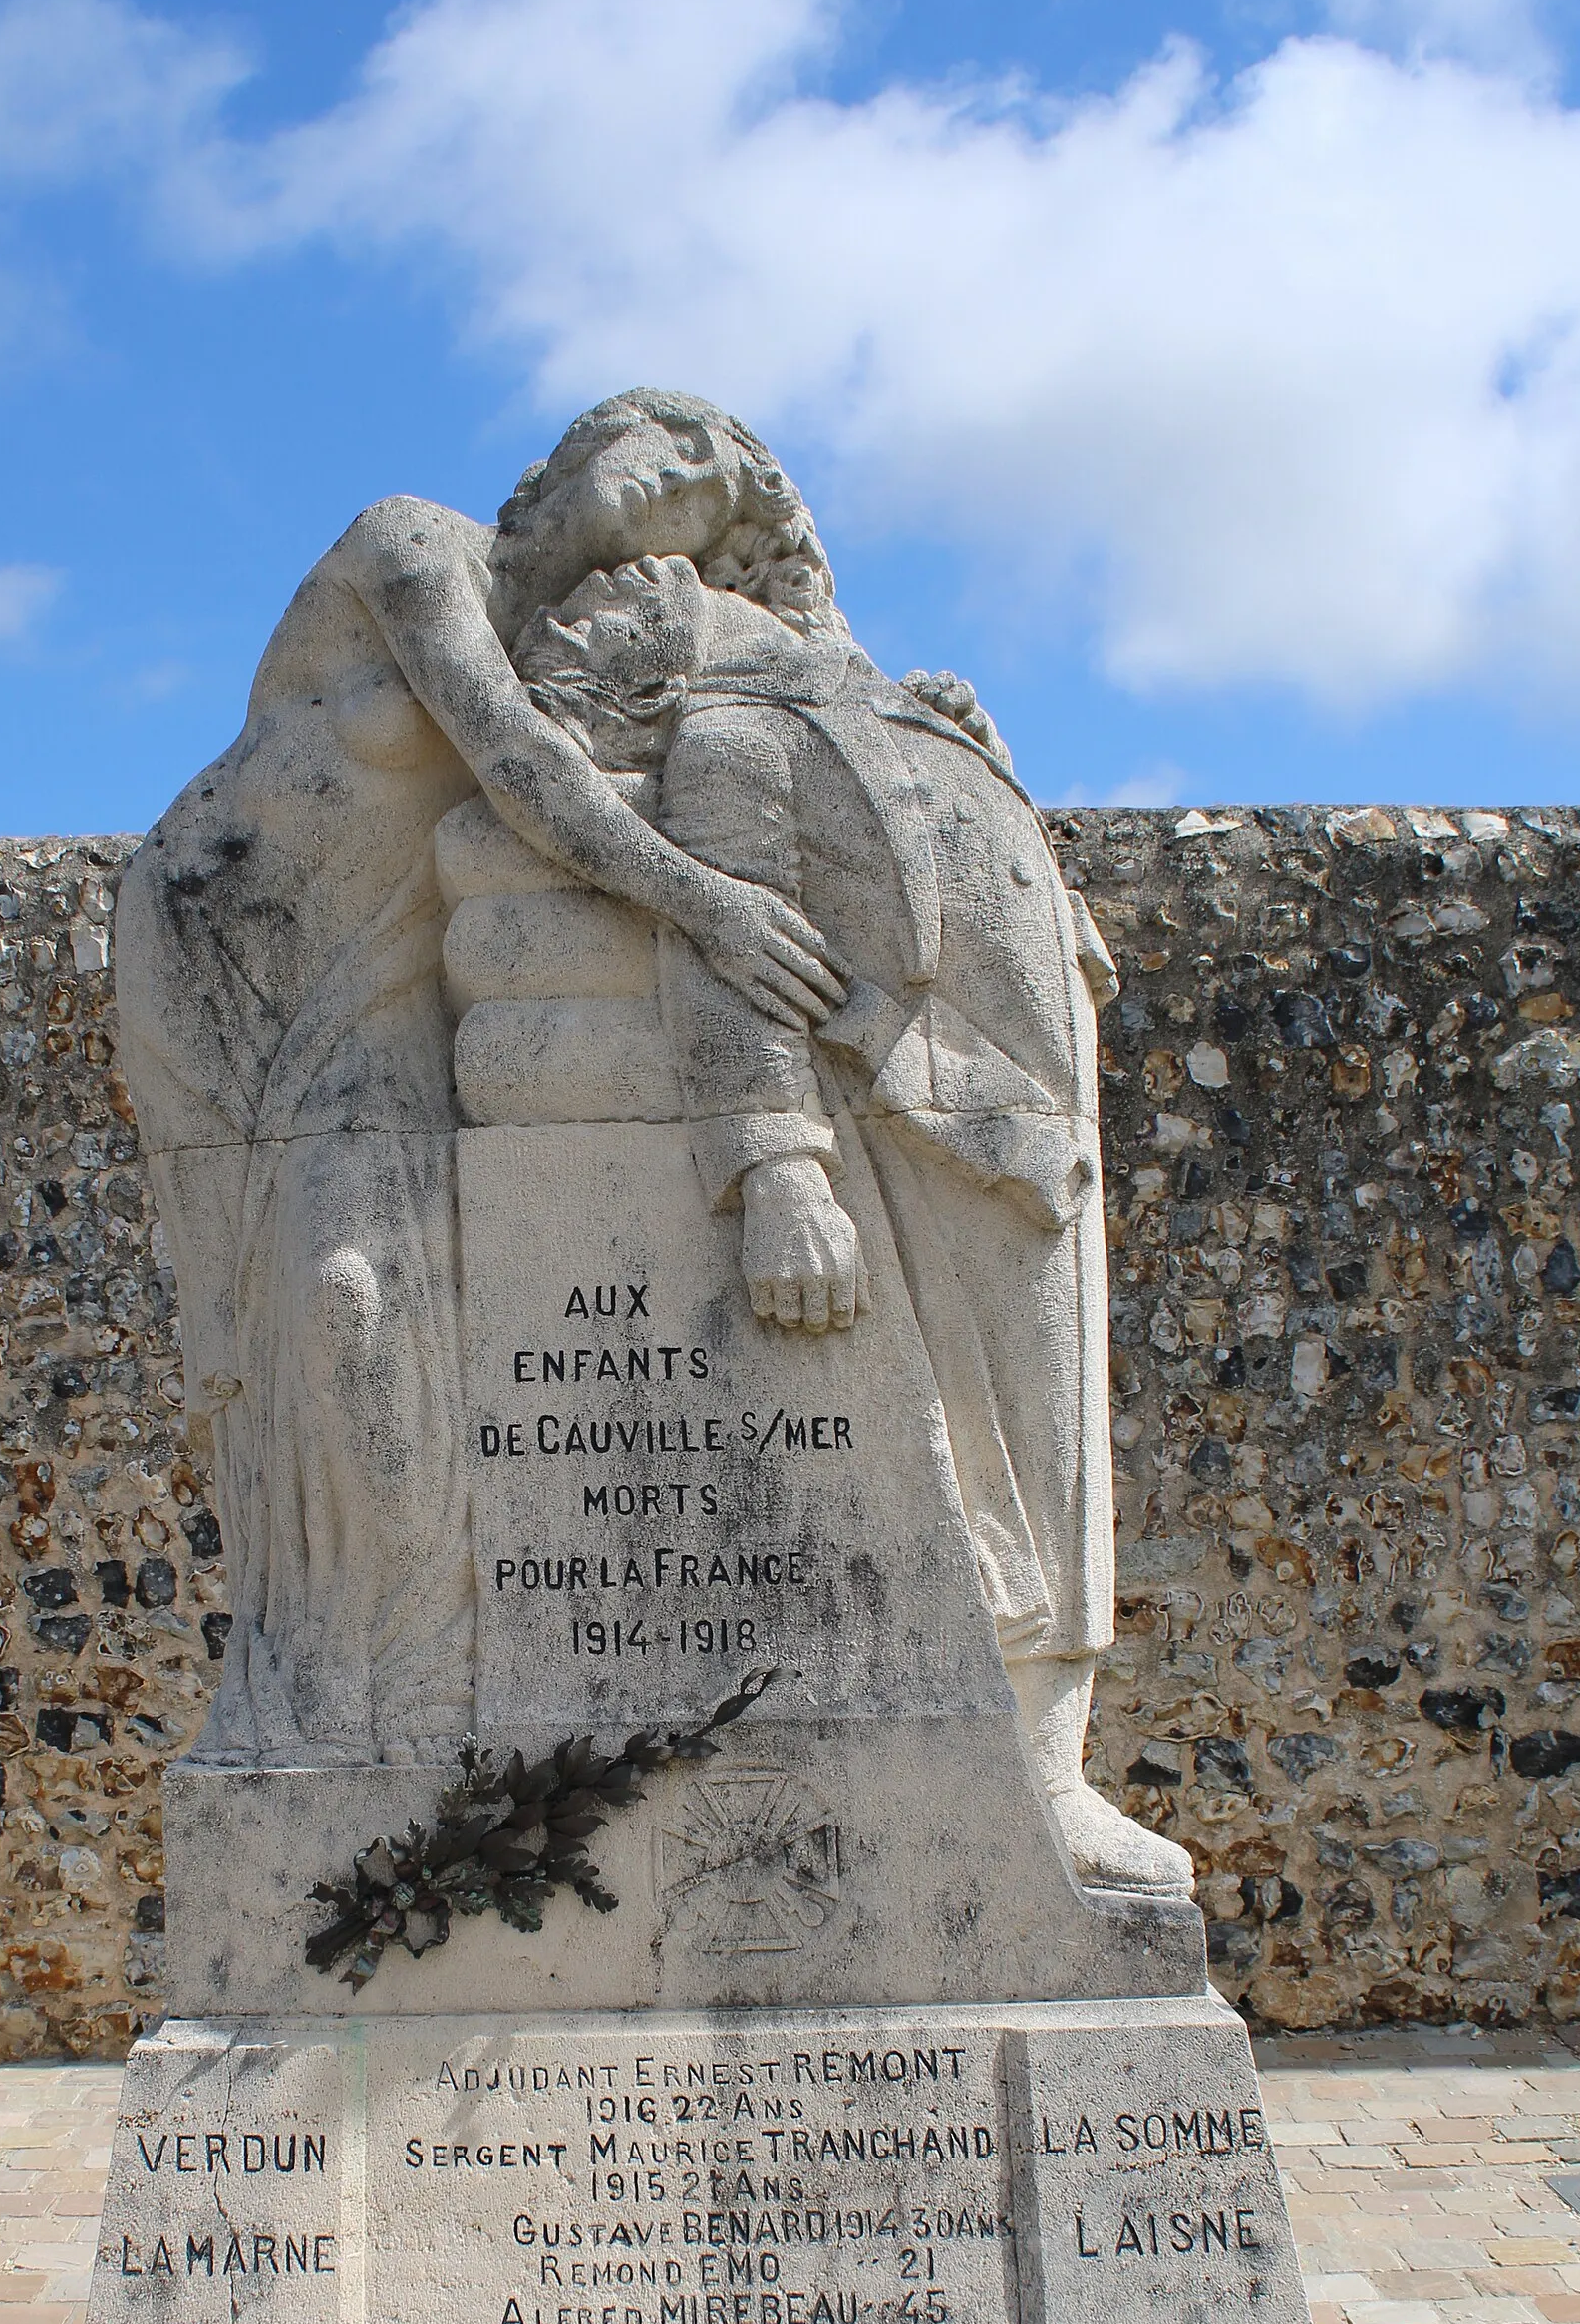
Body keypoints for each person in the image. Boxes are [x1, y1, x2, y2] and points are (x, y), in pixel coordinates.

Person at [115, 393, 848, 1764]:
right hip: (225, 955)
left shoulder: (596, 658)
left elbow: (794, 710)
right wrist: (709, 906)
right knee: (298, 1319)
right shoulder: (413, 548)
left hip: (383, 982)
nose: (679, 484)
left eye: (714, 491)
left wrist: (909, 706)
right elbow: (513, 763)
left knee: (372, 1313)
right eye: (672, 444)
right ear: (574, 453)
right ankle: (318, 1688)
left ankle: (406, 1686)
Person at [497, 549, 1192, 1894]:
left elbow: (1050, 930)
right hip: (920, 1116)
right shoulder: (727, 734)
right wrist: (779, 1171)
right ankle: (1026, 1790)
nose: (603, 599)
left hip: (1029, 1130)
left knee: (1057, 1463)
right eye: (583, 617)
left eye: (603, 601)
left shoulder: (902, 705)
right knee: (995, 1473)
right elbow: (727, 952)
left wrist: (983, 769)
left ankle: (1053, 1773)